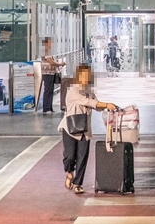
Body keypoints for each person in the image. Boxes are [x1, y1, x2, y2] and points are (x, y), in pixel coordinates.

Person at [58, 64, 120, 195]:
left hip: (84, 130)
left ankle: (78, 184)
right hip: (70, 128)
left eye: (87, 75)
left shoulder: (89, 91)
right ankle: (69, 173)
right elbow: (88, 102)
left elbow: (96, 105)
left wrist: (107, 107)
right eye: (83, 75)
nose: (85, 78)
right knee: (69, 156)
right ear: (78, 76)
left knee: (82, 157)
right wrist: (105, 104)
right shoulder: (73, 90)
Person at [39, 37, 65, 114]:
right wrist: (60, 64)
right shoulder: (46, 51)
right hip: (47, 73)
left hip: (50, 73)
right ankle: (46, 108)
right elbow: (51, 62)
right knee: (48, 90)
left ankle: (49, 107)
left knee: (50, 90)